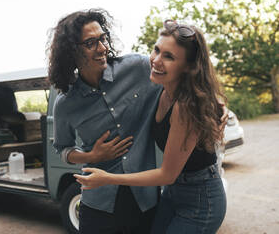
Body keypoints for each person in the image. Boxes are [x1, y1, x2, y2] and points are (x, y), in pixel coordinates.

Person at [74, 20, 227, 234]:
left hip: (201, 198)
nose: (156, 60)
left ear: (188, 67)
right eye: (157, 50)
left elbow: (167, 174)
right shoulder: (160, 89)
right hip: (173, 192)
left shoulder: (186, 105)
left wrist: (106, 178)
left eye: (169, 57)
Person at [47, 8, 163, 233]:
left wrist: (213, 100)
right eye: (91, 43)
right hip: (99, 203)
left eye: (103, 38)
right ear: (71, 52)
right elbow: (62, 148)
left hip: (144, 199)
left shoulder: (138, 68)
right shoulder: (65, 103)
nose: (103, 48)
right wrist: (91, 156)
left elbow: (179, 76)